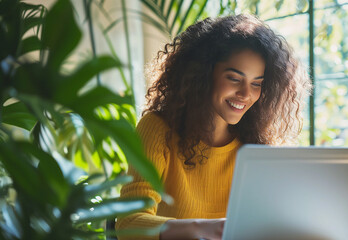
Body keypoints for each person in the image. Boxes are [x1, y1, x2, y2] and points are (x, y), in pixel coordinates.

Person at [116, 14, 311, 240]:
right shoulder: (157, 129)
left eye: (257, 84)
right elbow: (129, 223)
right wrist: (203, 228)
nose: (246, 94)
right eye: (234, 78)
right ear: (204, 74)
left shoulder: (256, 145)